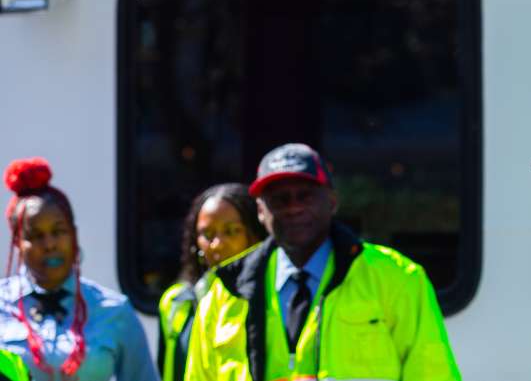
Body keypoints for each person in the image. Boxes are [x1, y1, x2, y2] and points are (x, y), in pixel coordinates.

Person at [185, 143, 460, 381]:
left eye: (305, 195)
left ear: (332, 201)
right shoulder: (223, 296)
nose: (293, 207)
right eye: (279, 199)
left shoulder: (397, 279)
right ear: (260, 211)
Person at [0, 158, 159, 381]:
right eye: (36, 236)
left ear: (74, 235)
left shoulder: (115, 310)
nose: (50, 245)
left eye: (59, 231)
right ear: (17, 243)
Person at [159, 183, 268, 381]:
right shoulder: (175, 302)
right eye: (207, 235)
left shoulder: (271, 294)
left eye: (232, 231)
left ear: (254, 234)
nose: (218, 244)